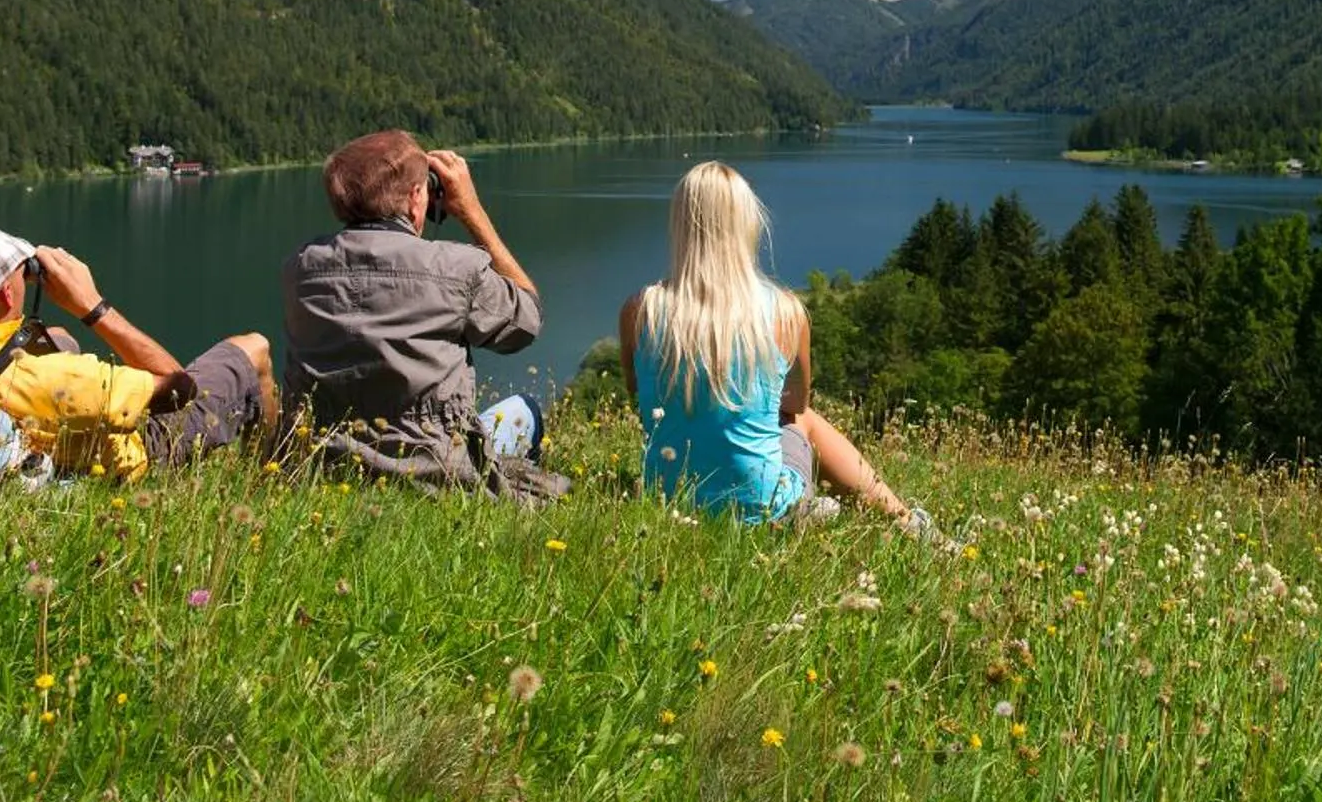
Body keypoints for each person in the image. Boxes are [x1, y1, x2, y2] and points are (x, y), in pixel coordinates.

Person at [619, 161, 922, 529]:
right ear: (746, 223)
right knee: (805, 421)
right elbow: (795, 403)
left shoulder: (641, 309)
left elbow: (638, 391)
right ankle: (902, 521)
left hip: (666, 500)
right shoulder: (785, 311)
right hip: (762, 509)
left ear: (679, 226)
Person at [279, 131, 566, 502]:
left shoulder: (300, 269)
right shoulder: (456, 269)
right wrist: (471, 211)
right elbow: (527, 321)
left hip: (327, 473)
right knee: (524, 411)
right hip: (439, 477)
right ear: (417, 196)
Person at [0, 225, 274, 484]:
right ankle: (271, 477)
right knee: (252, 348)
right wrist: (91, 306)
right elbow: (180, 390)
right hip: (123, 459)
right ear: (4, 294)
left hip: (25, 447)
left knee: (58, 337)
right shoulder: (65, 381)